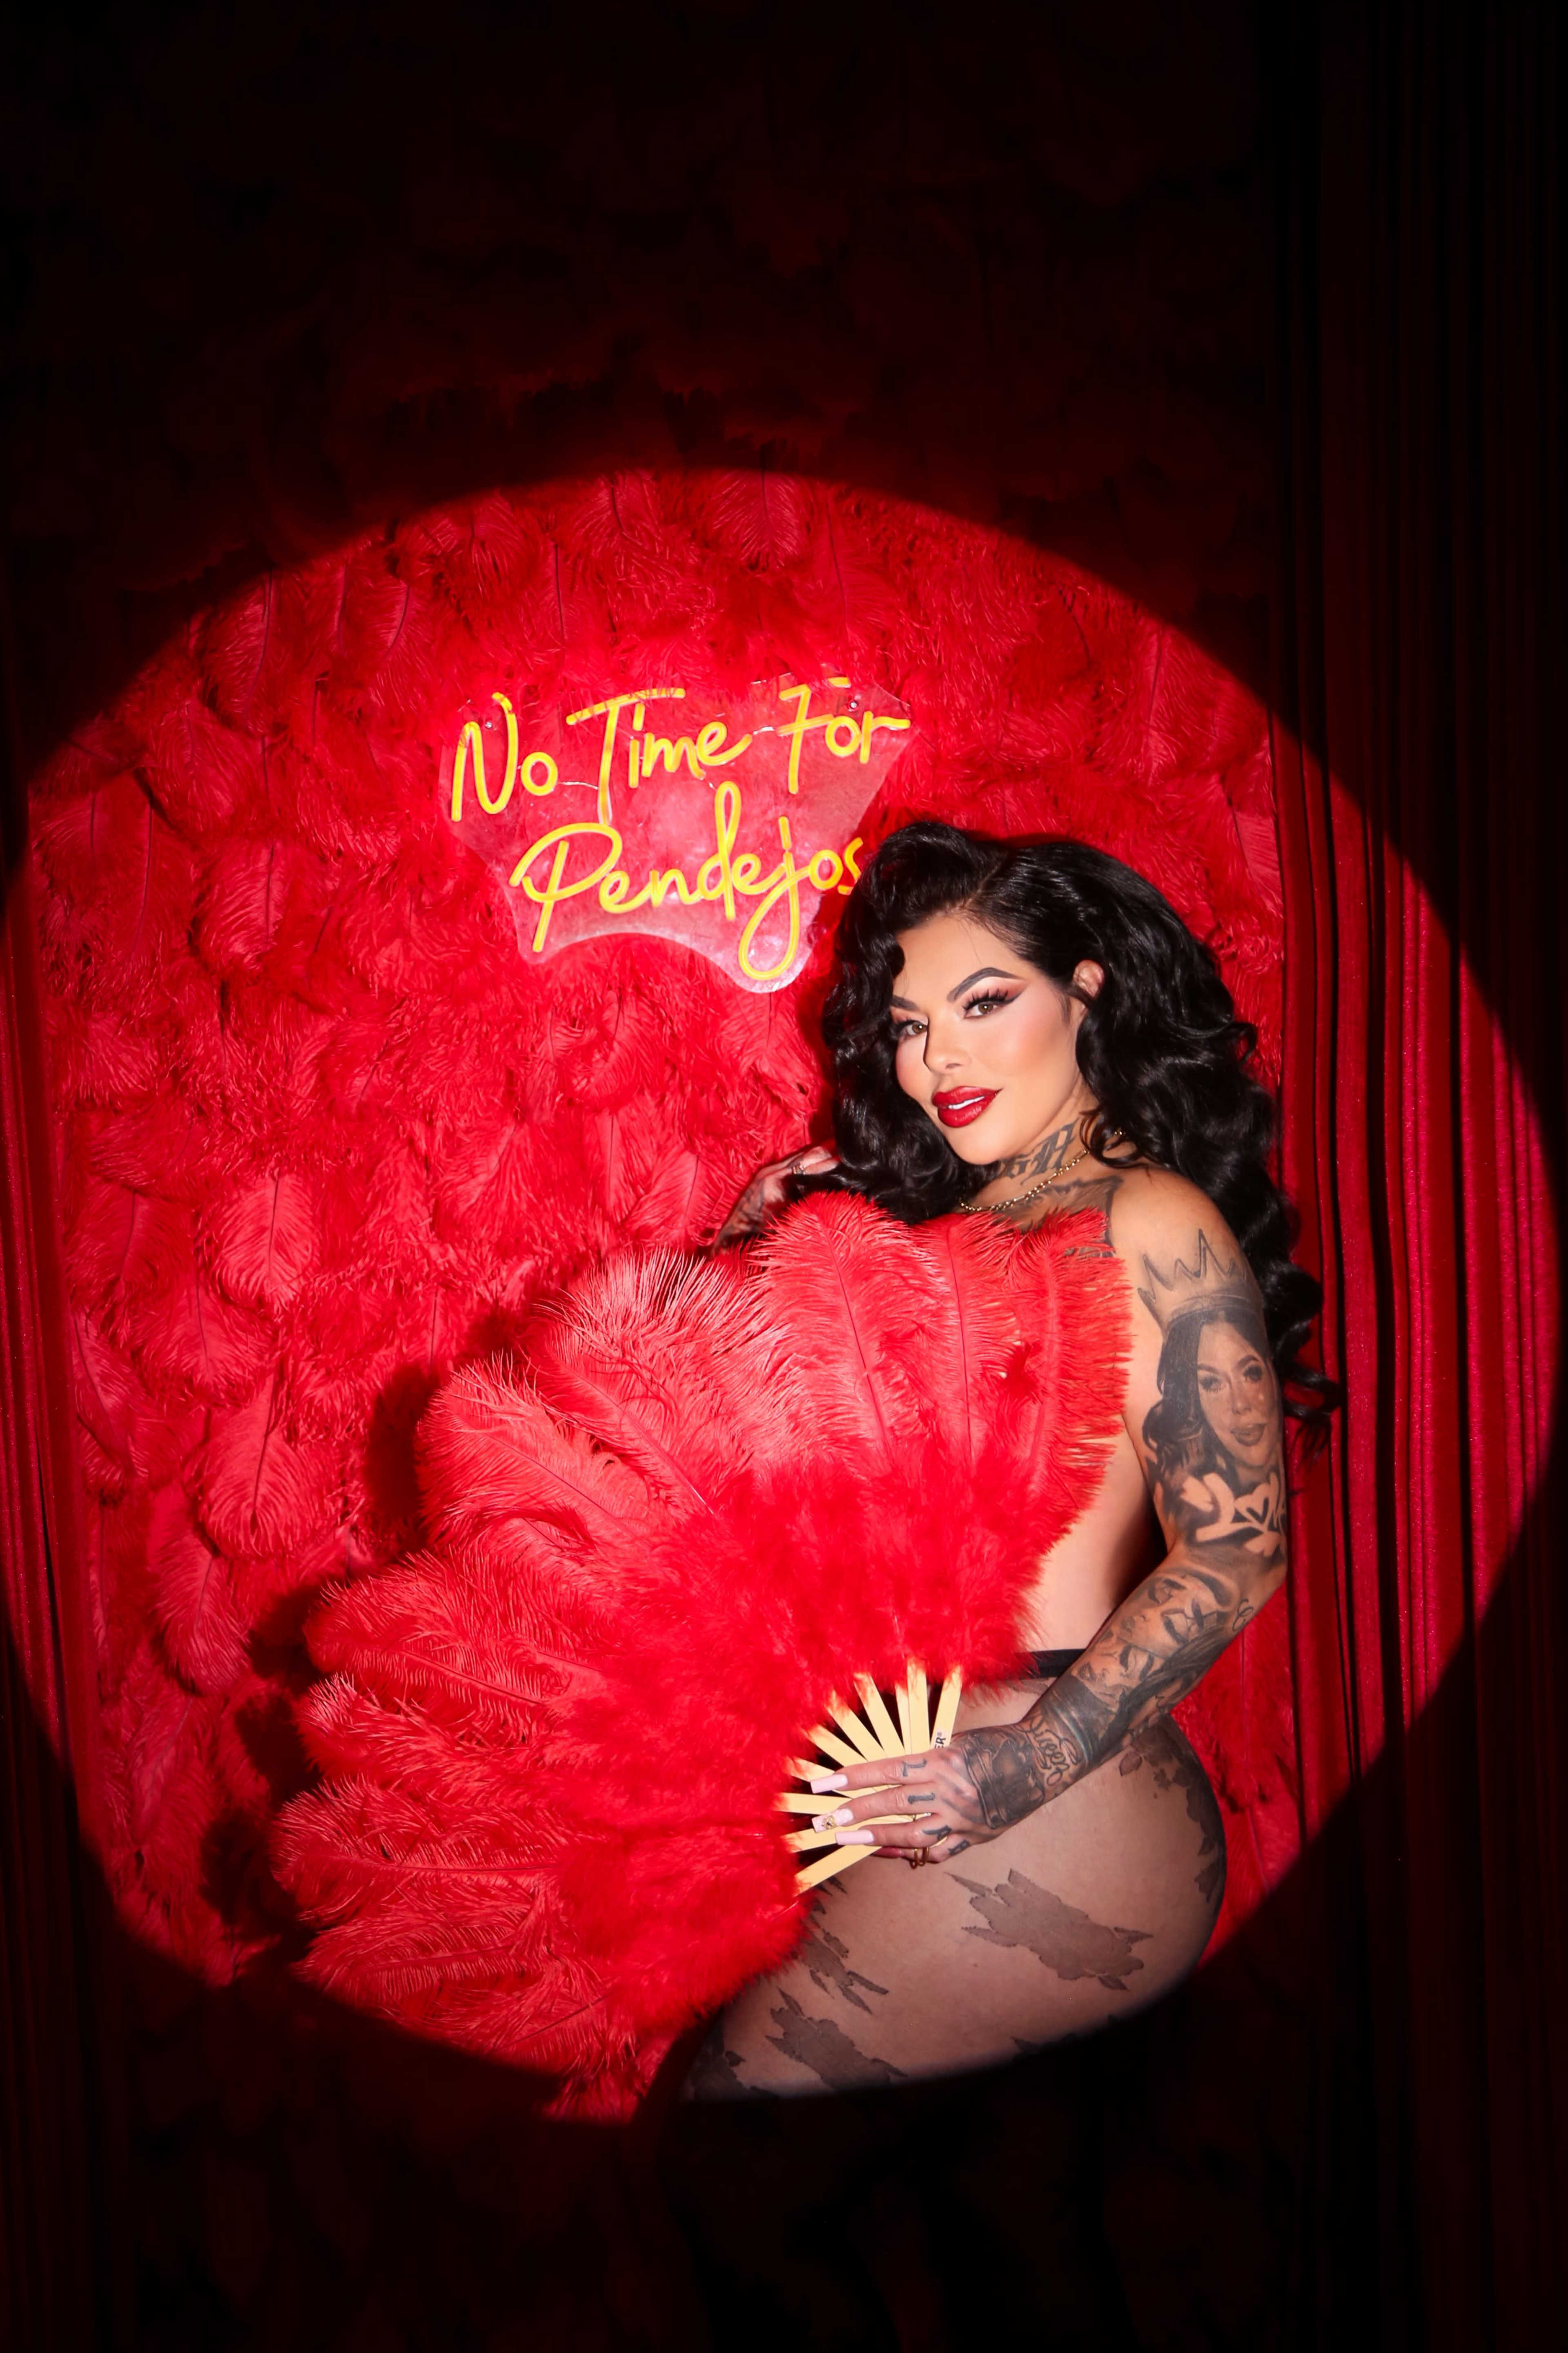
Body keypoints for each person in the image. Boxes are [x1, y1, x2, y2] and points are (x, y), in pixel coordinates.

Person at [685, 821, 1330, 2098]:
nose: (940, 1060)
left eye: (984, 1003)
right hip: (911, 1784)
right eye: (910, 1025)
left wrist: (1021, 1765)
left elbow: (1239, 1547)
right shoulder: (941, 1228)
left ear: (1087, 989)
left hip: (1049, 1790)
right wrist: (750, 1244)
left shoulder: (1148, 1216)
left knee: (731, 2140)